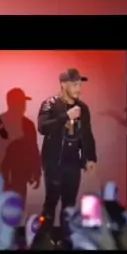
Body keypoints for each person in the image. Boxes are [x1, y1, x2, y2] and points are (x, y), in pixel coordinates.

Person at [37, 68, 97, 234]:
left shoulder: (83, 108)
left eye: (80, 85)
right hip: (54, 161)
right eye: (75, 85)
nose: (79, 89)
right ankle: (44, 238)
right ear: (63, 85)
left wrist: (90, 158)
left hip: (73, 162)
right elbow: (42, 128)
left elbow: (87, 134)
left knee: (69, 204)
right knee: (51, 203)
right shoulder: (50, 104)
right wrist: (66, 116)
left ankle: (66, 238)